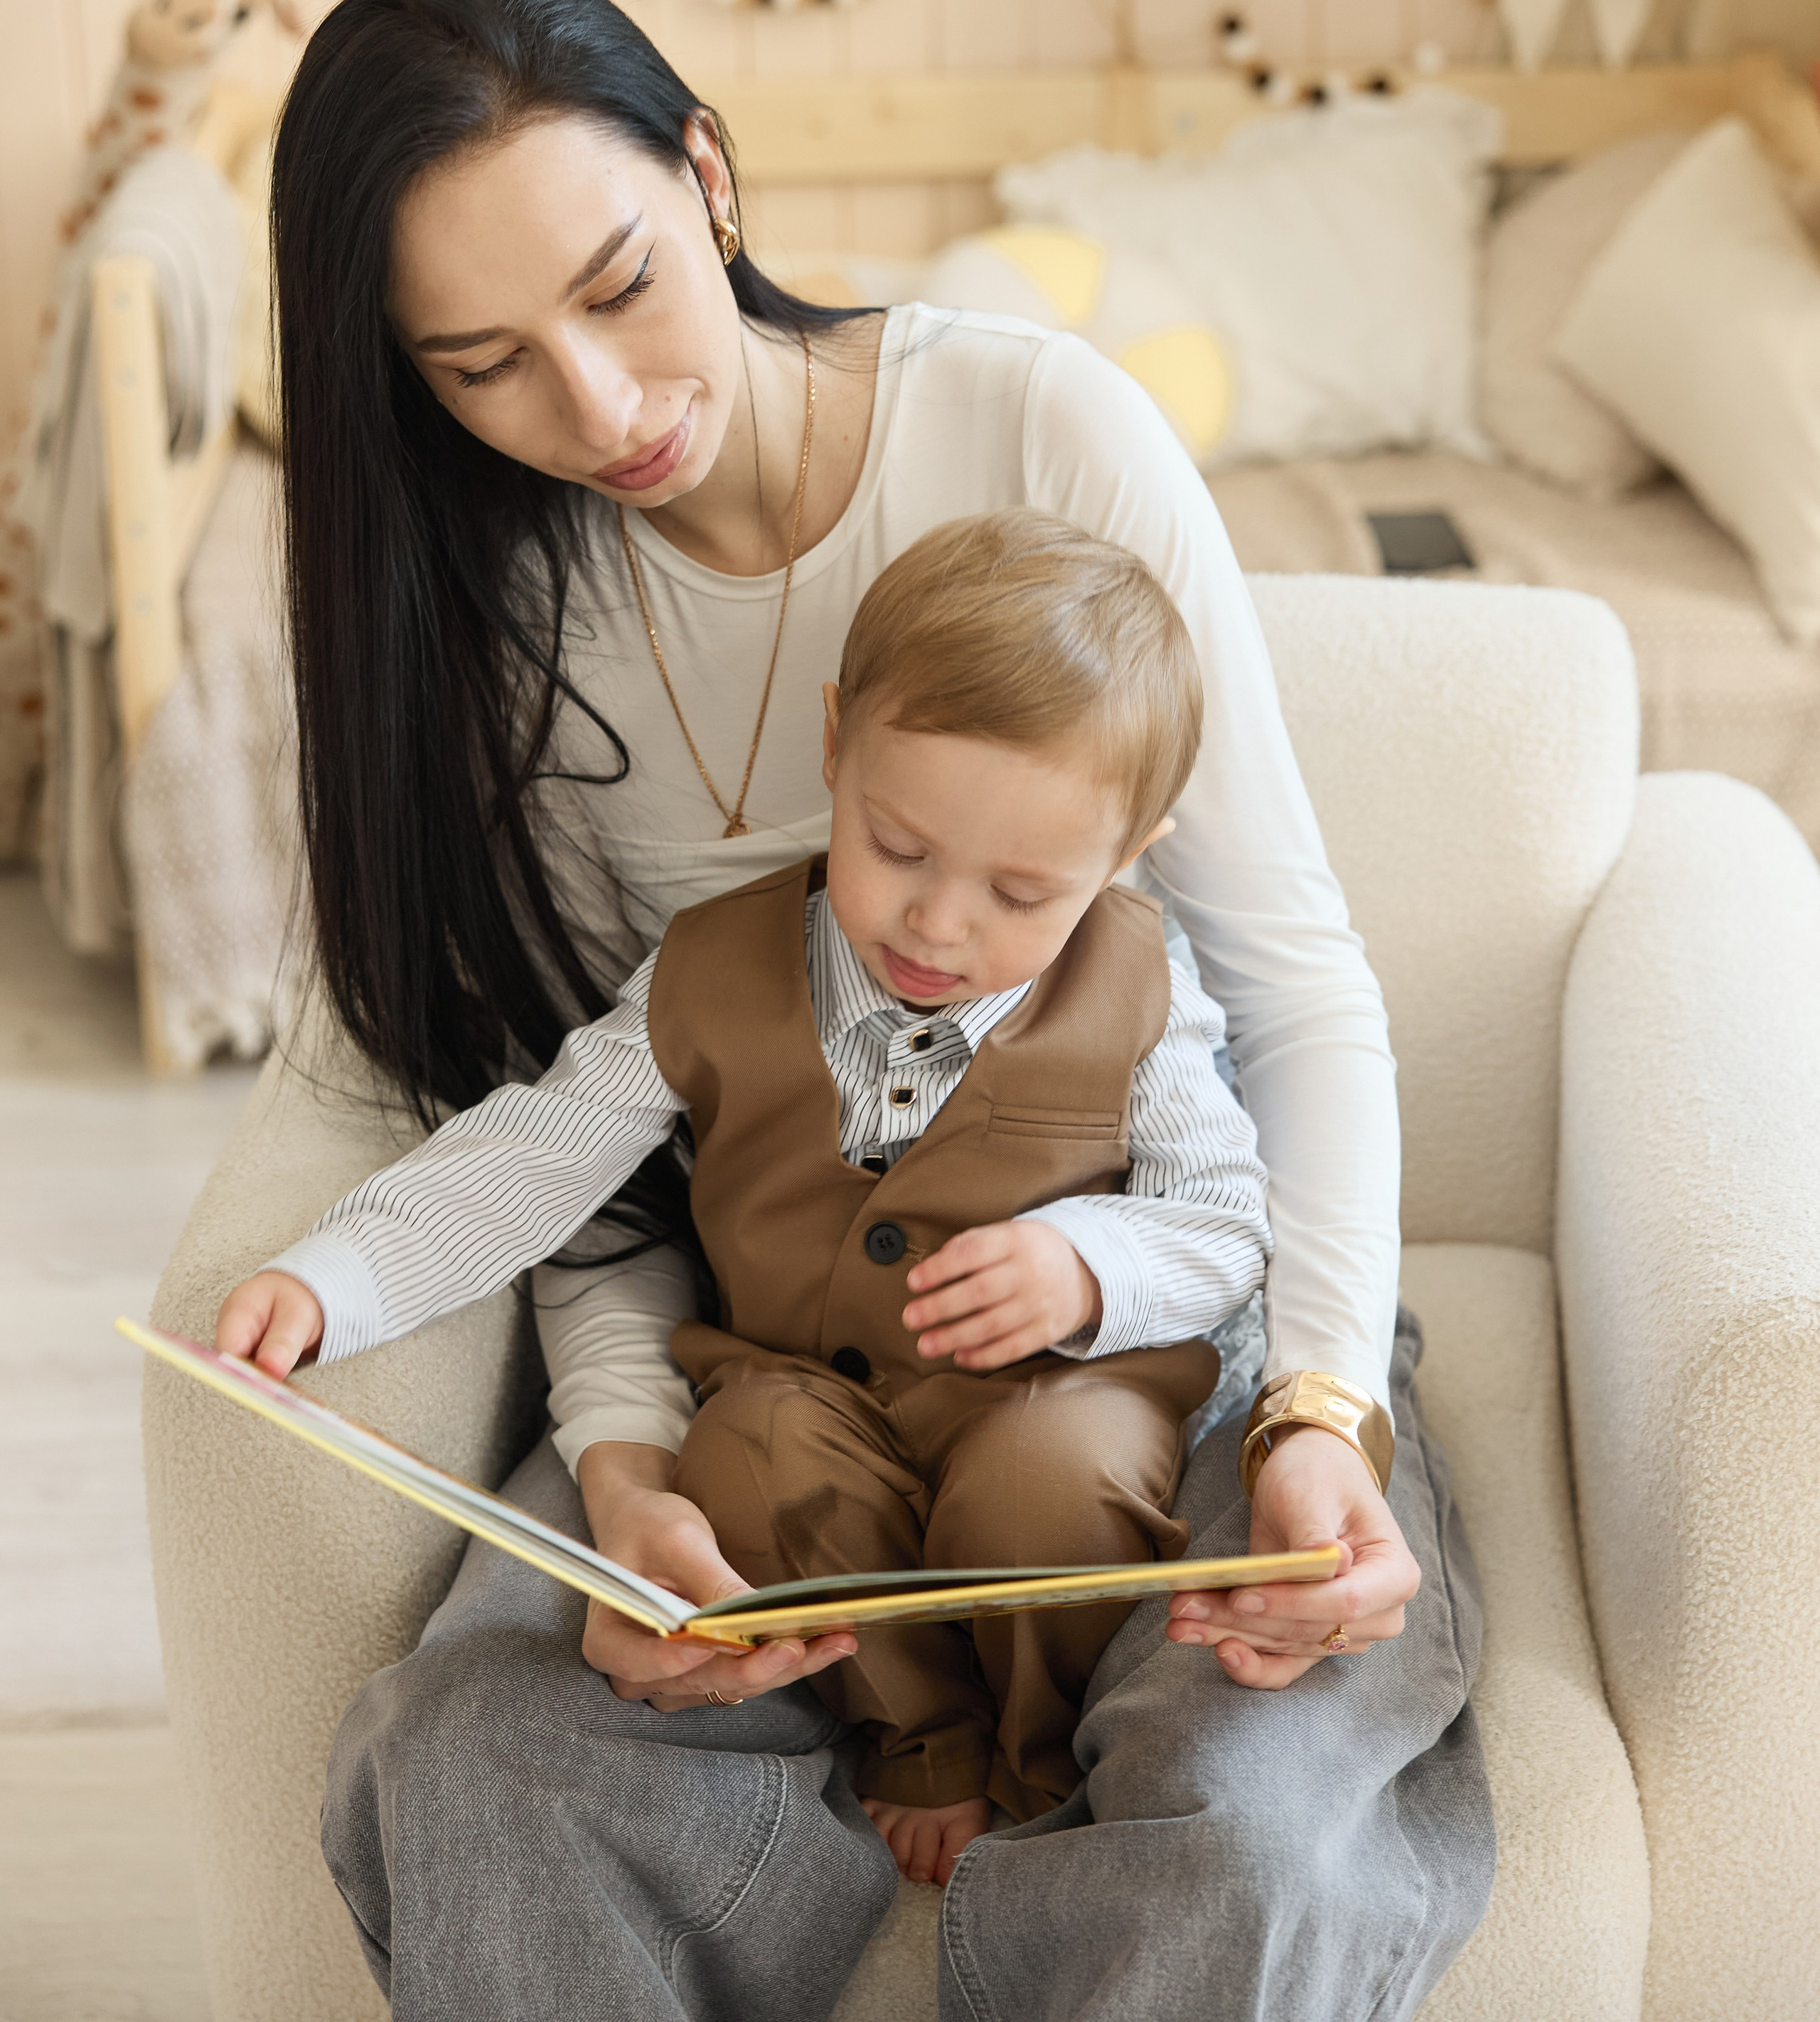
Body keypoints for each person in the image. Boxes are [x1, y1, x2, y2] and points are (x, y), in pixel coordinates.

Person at [263, 0, 1491, 2021]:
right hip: (768, 1390)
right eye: (481, 366)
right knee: (483, 1762)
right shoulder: (492, 623)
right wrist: (625, 1473)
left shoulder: (1034, 427)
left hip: (1182, 1333)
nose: (602, 410)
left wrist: (1314, 1411)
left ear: (708, 176)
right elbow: (590, 1152)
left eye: (622, 287)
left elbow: (1295, 1002)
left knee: (1255, 1834)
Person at [218, 511, 1275, 1887]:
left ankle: (1040, 1753)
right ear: (834, 747)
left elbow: (1226, 1221)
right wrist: (334, 1281)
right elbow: (536, 1155)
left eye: (1022, 893)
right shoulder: (711, 966)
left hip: (1048, 1394)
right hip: (802, 1386)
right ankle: (922, 1736)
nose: (939, 924)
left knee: (1056, 1493)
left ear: (1128, 854)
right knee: (749, 1470)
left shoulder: (1145, 990)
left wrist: (1088, 1265)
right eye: (898, 847)